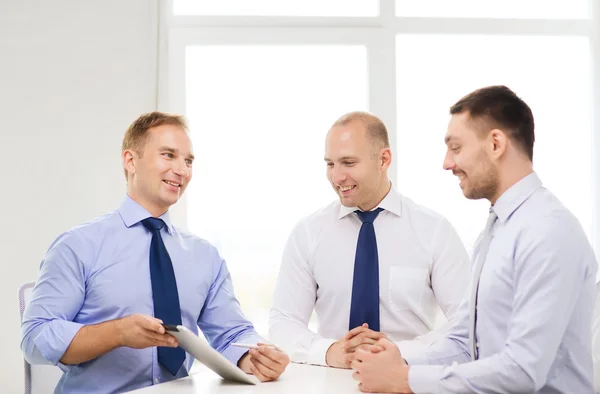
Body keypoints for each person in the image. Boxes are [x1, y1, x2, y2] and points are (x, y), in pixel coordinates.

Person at [351, 86, 598, 393]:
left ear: (495, 143)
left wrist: (405, 379)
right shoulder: (494, 233)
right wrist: (389, 357)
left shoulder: (549, 231)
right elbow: (464, 344)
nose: (446, 163)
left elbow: (522, 370)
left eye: (456, 148)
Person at [21, 112, 290, 394]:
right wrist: (117, 333)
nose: (182, 170)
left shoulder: (204, 256)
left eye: (188, 161)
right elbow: (35, 339)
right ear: (130, 160)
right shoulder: (78, 245)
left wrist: (256, 356)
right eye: (168, 155)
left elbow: (232, 333)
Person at [269, 111, 470, 368]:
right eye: (330, 164)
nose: (337, 177)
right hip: (330, 382)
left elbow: (466, 325)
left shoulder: (435, 231)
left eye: (349, 163)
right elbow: (283, 322)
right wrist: (330, 351)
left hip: (407, 379)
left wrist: (400, 353)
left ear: (384, 159)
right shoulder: (307, 233)